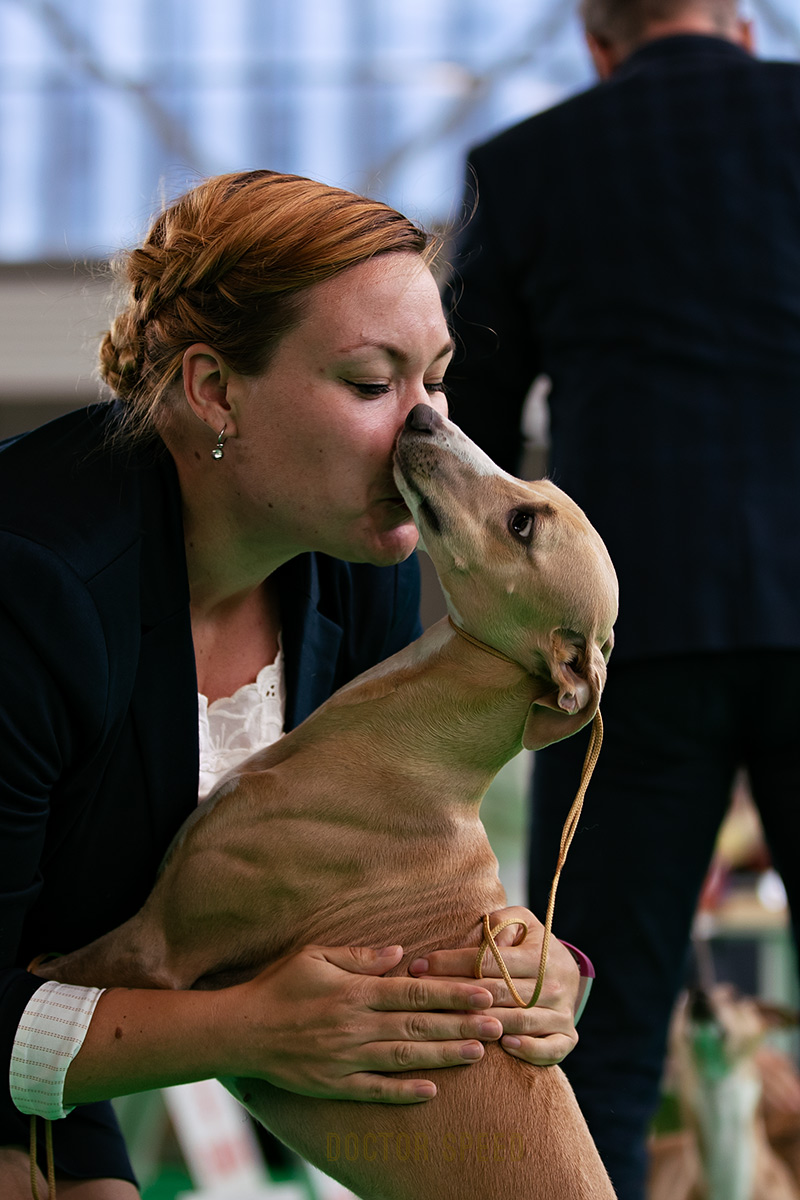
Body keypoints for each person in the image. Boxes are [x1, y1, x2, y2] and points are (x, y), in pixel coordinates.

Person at [0, 169, 590, 1197]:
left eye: (436, 380)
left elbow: (364, 877)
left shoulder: (354, 567)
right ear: (213, 389)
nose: (429, 434)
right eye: (373, 386)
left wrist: (538, 975)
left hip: (57, 1037)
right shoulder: (29, 589)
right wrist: (254, 1027)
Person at [443, 3, 800, 1198]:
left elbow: (472, 436)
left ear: (598, 44)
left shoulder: (528, 163)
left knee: (590, 1019)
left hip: (624, 649)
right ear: (741, 28)